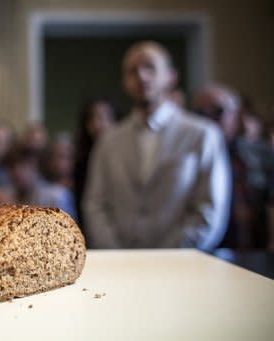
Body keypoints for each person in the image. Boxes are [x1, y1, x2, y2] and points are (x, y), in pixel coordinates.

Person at [83, 41, 231, 250]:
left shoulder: (203, 135)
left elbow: (210, 209)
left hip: (182, 265)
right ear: (125, 82)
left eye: (150, 67)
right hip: (120, 266)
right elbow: (95, 205)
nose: (141, 76)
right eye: (132, 71)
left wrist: (172, 255)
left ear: (171, 76)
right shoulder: (108, 141)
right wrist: (116, 254)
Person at [193, 88, 271, 248]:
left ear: (235, 116)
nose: (209, 118)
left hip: (252, 253)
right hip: (203, 253)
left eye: (218, 111)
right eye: (201, 113)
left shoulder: (260, 155)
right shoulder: (185, 160)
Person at [73, 97, 118, 236]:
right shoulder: (80, 159)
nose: (98, 124)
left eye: (104, 117)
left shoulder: (124, 158)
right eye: (92, 119)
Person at [7, 146, 77, 220]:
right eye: (13, 167)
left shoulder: (57, 196)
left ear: (36, 168)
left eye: (25, 166)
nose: (18, 172)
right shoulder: (9, 198)